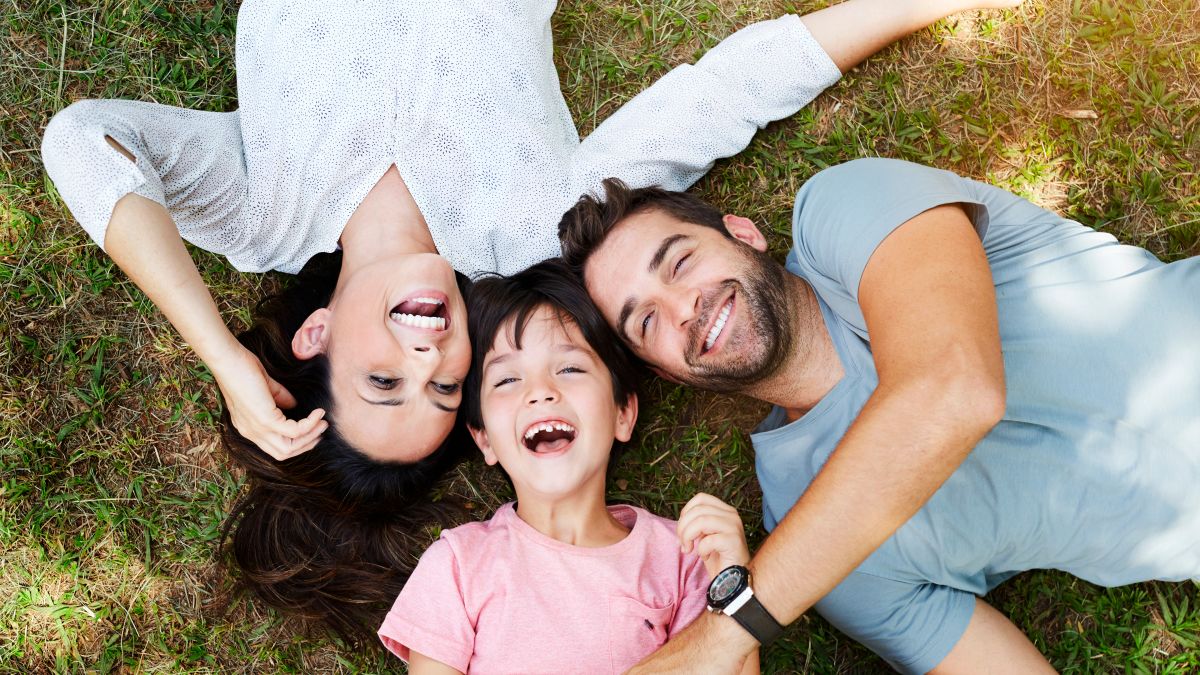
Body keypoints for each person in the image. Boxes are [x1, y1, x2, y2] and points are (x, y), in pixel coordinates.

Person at [40, 0, 1025, 641]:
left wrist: (218, 352)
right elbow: (720, 99)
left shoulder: (259, 212)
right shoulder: (528, 231)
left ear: (317, 337)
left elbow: (84, 140)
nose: (430, 349)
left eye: (384, 378)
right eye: (444, 386)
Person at [557, 158, 1200, 673]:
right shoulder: (823, 559)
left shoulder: (843, 210)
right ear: (669, 374)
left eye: (680, 262)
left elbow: (956, 388)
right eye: (646, 322)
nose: (683, 308)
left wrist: (723, 635)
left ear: (744, 234)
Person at [377, 259, 757, 674]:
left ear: (622, 413)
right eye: (507, 380)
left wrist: (735, 582)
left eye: (570, 368)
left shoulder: (684, 557)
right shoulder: (457, 565)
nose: (540, 392)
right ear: (484, 437)